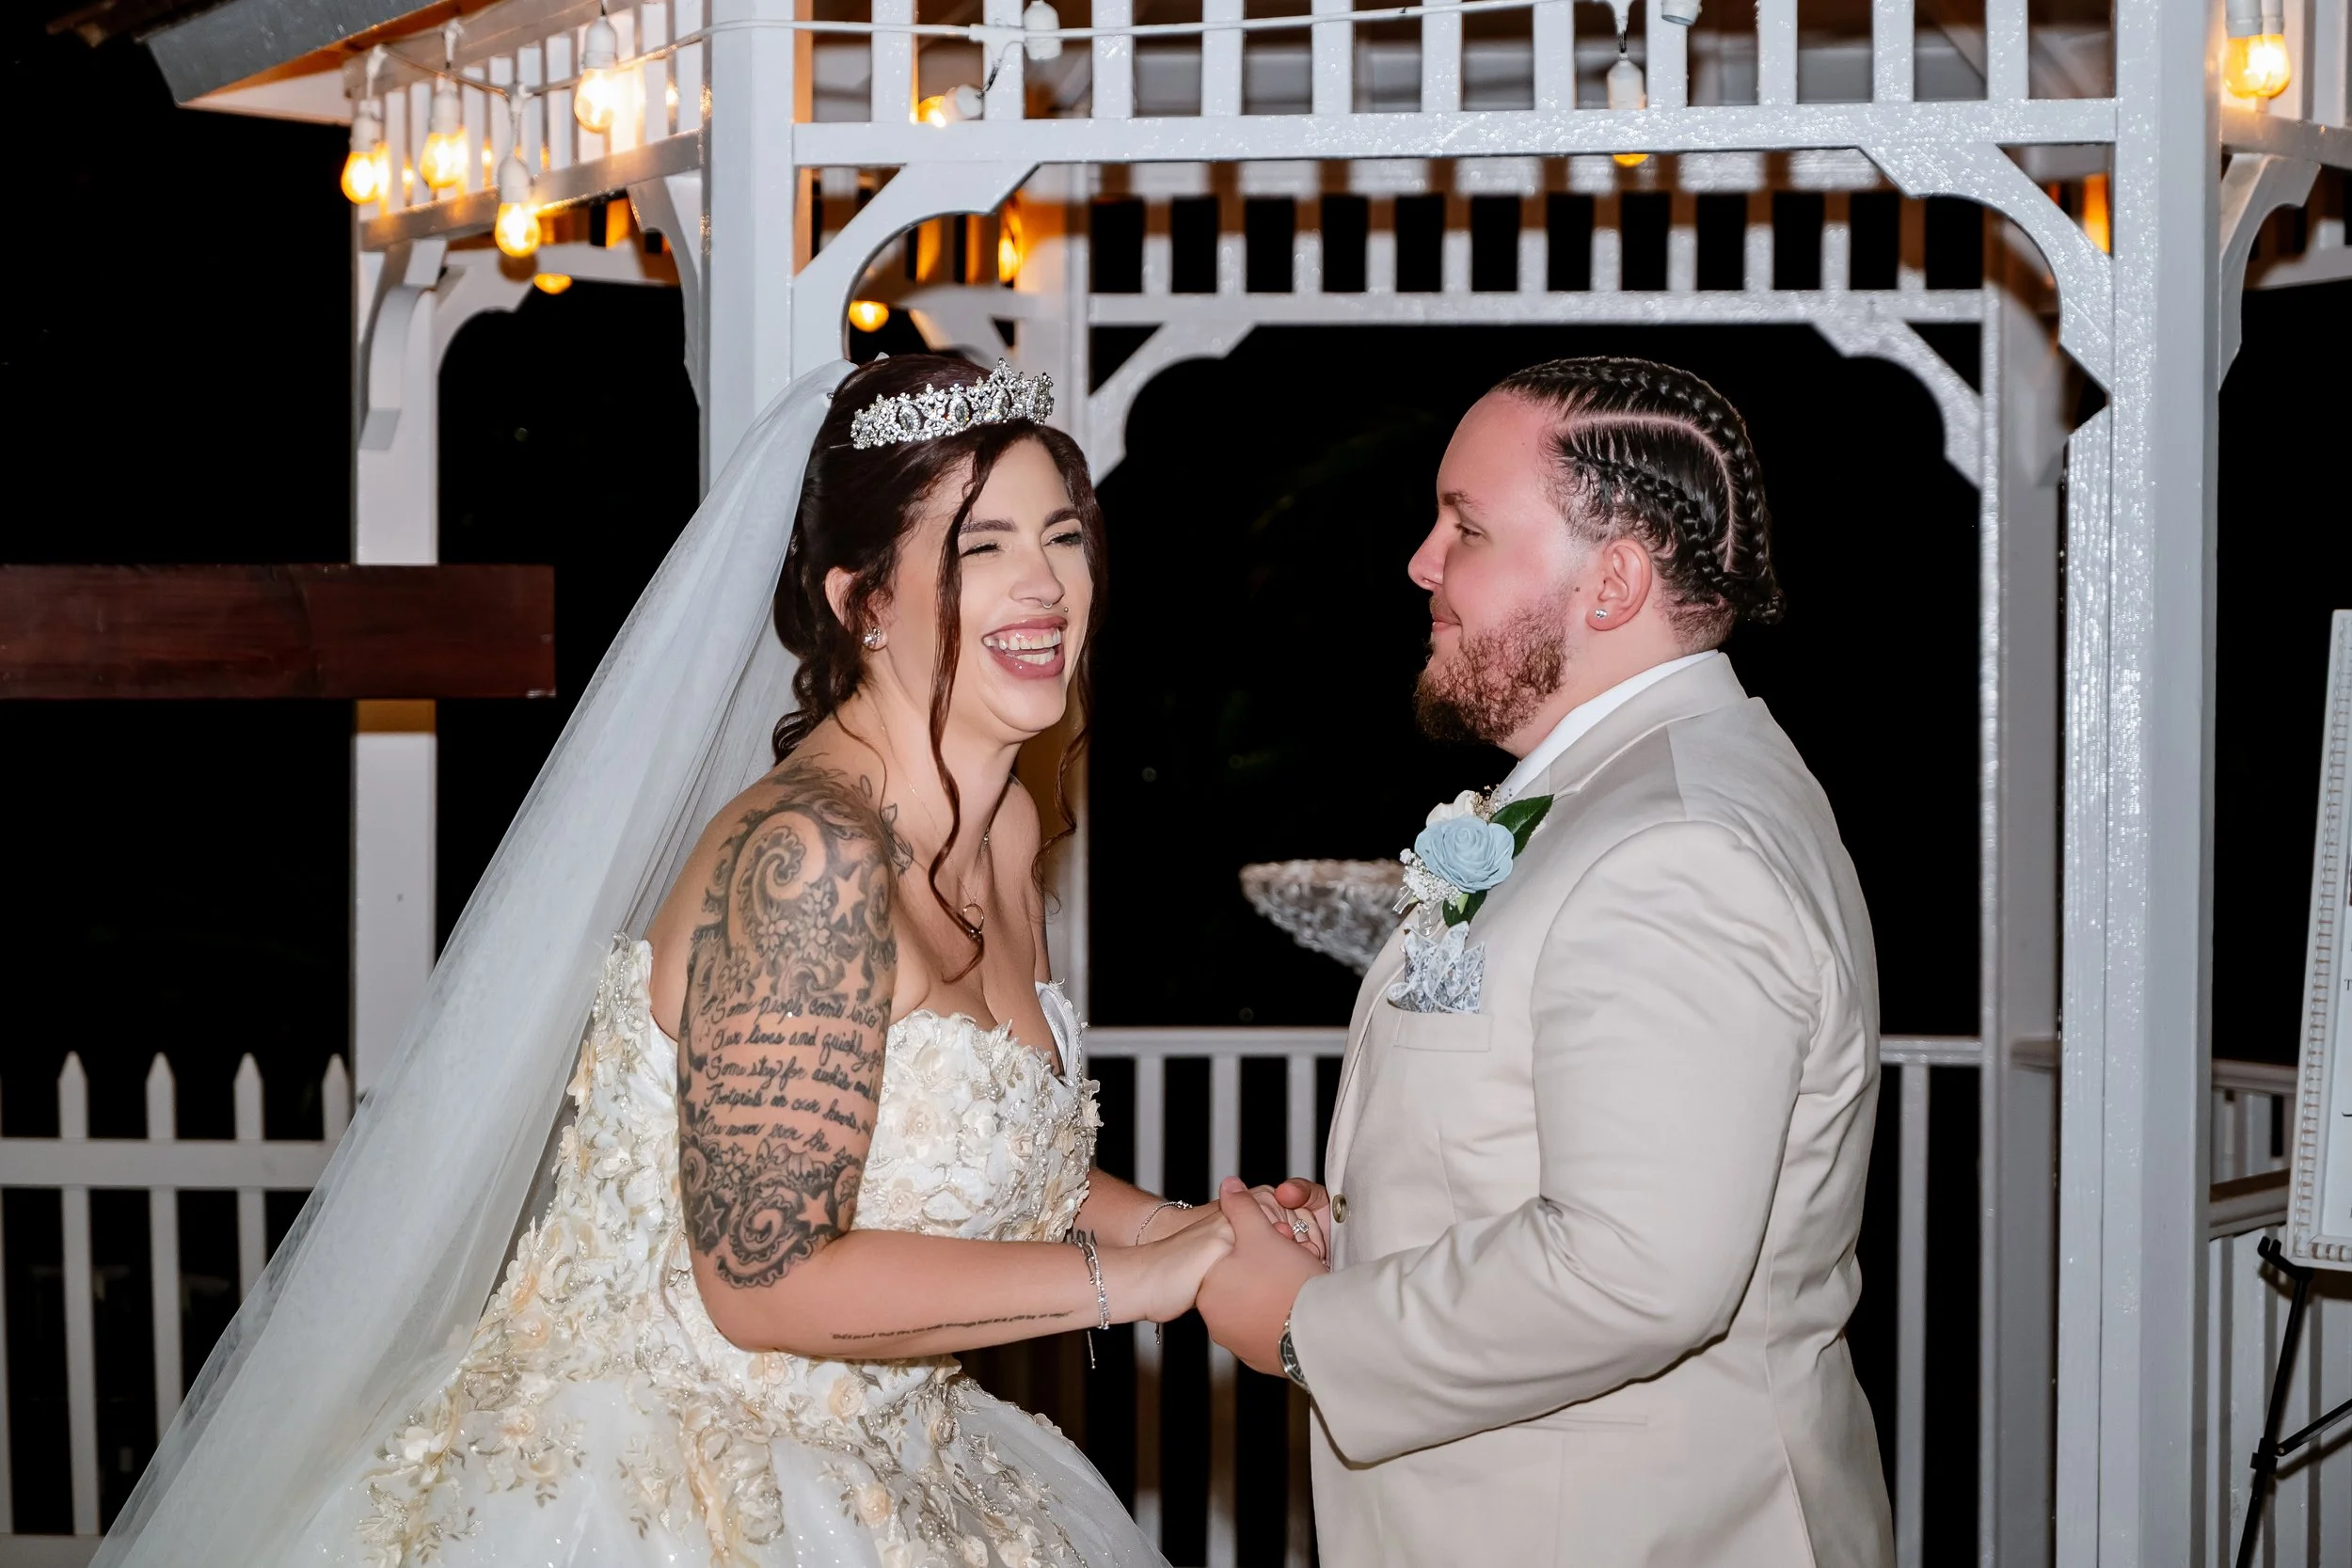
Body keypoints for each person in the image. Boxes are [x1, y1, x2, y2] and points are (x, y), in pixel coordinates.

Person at [95, 354, 1302, 1568]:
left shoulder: (1004, 832)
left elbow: (965, 1152)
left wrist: (1189, 1229)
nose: (1044, 584)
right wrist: (1128, 1282)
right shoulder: (808, 857)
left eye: (1063, 535)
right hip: (670, 1479)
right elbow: (767, 1279)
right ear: (862, 600)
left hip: (904, 1456)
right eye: (980, 546)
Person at [1197, 356, 1896, 1566]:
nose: (1422, 560)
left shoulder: (1678, 841)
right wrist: (1372, 1228)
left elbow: (1637, 1267)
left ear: (1611, 579)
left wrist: (1312, 1323)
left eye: (1465, 526)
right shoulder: (1620, 793)